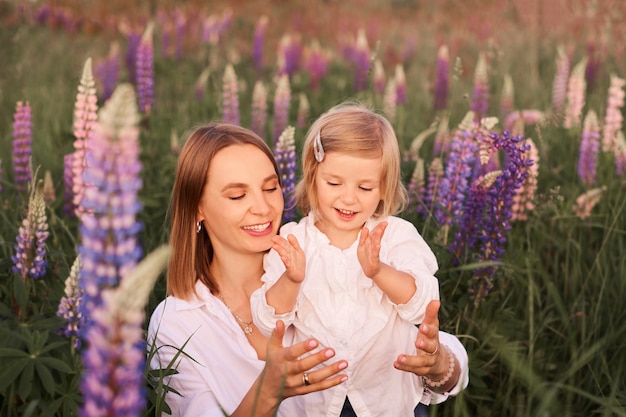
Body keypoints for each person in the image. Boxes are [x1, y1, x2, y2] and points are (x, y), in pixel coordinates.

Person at [147, 122, 467, 417]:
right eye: (237, 194)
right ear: (198, 207)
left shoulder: (313, 252)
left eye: (271, 188)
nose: (263, 207)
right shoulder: (178, 322)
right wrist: (267, 393)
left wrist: (439, 364)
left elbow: (428, 349)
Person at [250, 103, 466, 416]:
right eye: (334, 183)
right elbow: (269, 321)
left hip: (387, 402)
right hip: (314, 404)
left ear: (383, 188)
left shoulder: (395, 235)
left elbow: (422, 302)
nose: (349, 198)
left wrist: (379, 271)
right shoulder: (293, 240)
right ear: (312, 177)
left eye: (365, 187)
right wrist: (291, 280)